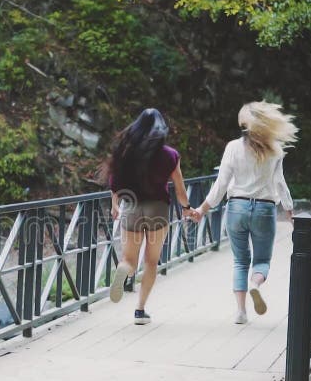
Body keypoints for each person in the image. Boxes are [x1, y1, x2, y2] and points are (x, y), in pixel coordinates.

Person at [192, 101, 296, 324]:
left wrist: (202, 209)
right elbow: (280, 183)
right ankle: (255, 285)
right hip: (264, 210)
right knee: (262, 261)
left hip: (236, 208)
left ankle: (240, 312)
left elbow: (221, 184)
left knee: (240, 261)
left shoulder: (232, 147)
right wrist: (289, 210)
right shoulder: (275, 150)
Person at [106, 108, 192, 325]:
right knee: (151, 262)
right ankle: (140, 310)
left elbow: (114, 183)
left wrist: (115, 204)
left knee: (128, 260)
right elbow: (180, 190)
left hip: (132, 207)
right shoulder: (170, 155)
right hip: (158, 209)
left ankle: (122, 272)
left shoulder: (126, 152)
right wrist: (187, 207)